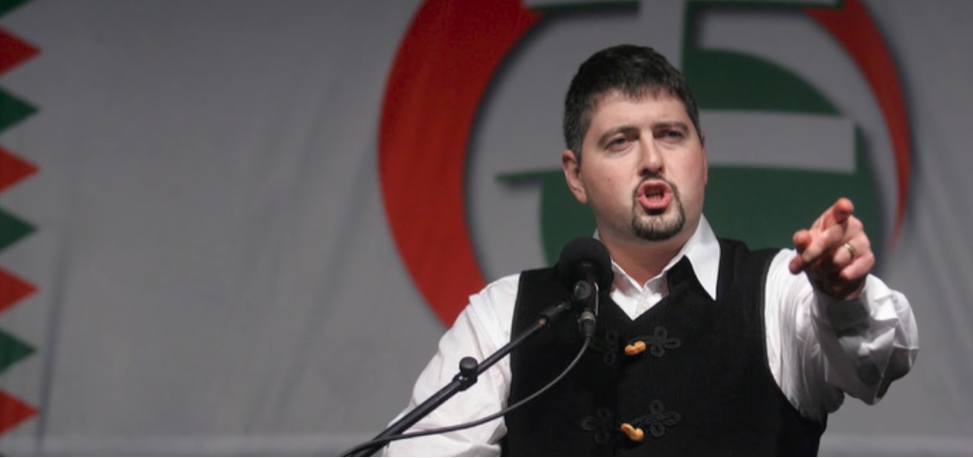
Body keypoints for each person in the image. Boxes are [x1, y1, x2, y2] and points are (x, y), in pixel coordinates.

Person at [386, 45, 918, 456]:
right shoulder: (506, 313)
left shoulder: (782, 288)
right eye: (620, 141)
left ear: (702, 157)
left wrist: (843, 297)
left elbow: (879, 362)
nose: (652, 160)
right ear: (575, 175)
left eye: (670, 135)